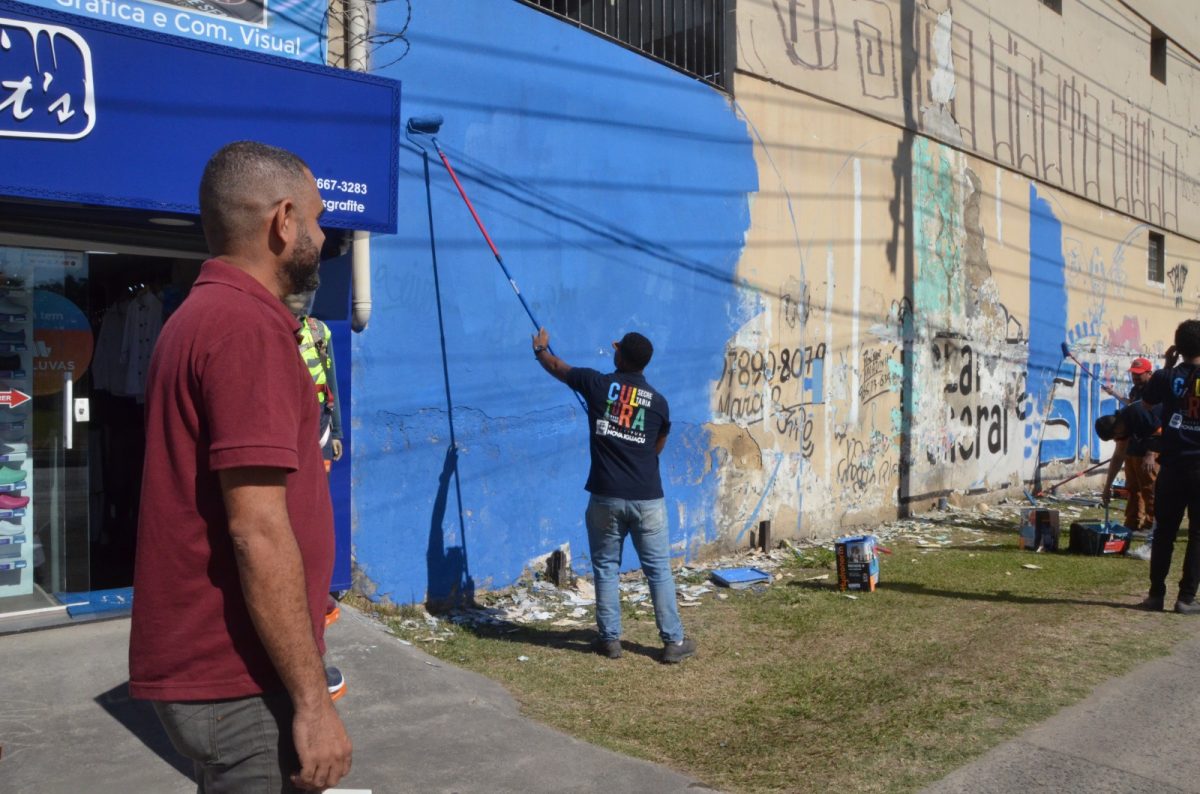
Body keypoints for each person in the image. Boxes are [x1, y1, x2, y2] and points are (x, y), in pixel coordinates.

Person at [129, 141, 352, 790]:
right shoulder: (245, 329)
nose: (322, 234)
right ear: (283, 222)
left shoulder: (199, 317)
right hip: (240, 680)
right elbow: (256, 531)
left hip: (224, 671)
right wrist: (313, 702)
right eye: (315, 219)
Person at [532, 327, 696, 664]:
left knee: (606, 568)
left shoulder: (598, 385)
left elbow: (558, 368)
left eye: (617, 346)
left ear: (620, 354)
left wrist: (540, 350)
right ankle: (673, 641)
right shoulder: (660, 404)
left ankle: (609, 640)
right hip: (647, 498)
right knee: (658, 570)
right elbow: (656, 449)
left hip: (605, 496)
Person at [284, 291, 348, 701]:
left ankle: (315, 592)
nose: (304, 302)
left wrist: (337, 431)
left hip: (319, 431)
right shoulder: (271, 329)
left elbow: (331, 381)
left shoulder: (320, 332)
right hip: (288, 431)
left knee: (313, 519)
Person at [1138, 320, 1200, 613]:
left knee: (1164, 533)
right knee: (1198, 534)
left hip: (1173, 465)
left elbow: (1148, 404)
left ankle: (1155, 595)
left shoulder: (1165, 376)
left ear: (1178, 346)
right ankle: (1186, 598)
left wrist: (1167, 364)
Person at [1095, 401, 1160, 559]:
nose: (1117, 440)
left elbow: (1159, 430)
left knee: (1152, 491)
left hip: (1162, 447)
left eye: (1115, 437)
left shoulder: (1137, 413)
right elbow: (1118, 457)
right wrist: (1107, 487)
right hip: (1141, 451)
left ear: (1116, 427)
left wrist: (1151, 453)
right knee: (1133, 488)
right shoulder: (1123, 427)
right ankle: (1135, 524)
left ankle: (1154, 534)